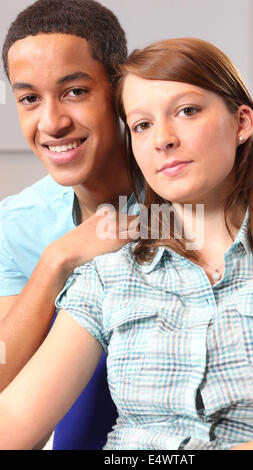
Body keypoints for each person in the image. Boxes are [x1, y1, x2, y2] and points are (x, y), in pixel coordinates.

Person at [0, 37, 253, 451]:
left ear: (243, 123)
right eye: (142, 124)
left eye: (187, 111)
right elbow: (12, 417)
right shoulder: (105, 271)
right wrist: (57, 259)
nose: (163, 139)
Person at [0, 0, 135, 450]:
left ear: (119, 88)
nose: (52, 123)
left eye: (75, 91)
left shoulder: (203, 192)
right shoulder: (18, 223)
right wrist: (57, 259)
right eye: (29, 99)